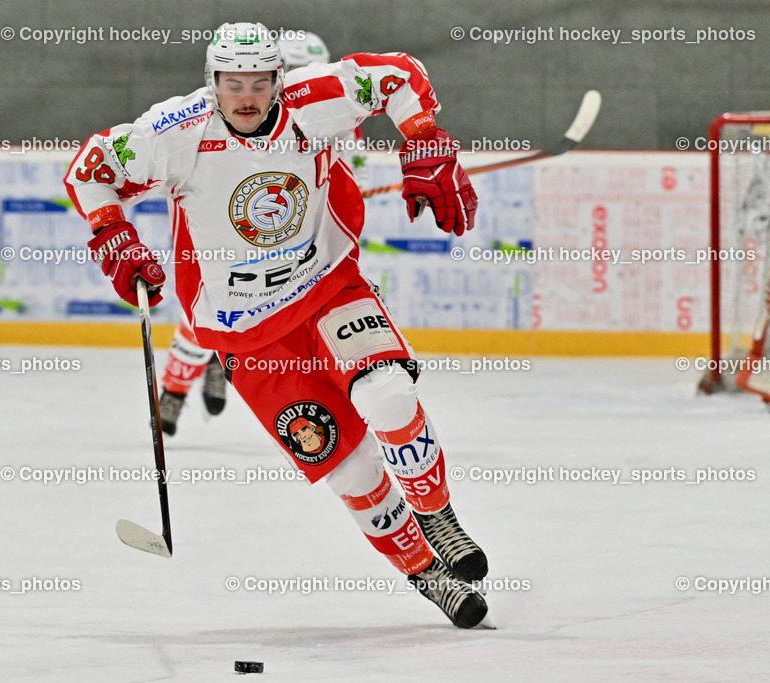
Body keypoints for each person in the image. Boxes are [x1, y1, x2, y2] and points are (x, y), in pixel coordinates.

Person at [66, 22, 487, 628]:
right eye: (232, 83)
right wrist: (113, 231)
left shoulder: (315, 101)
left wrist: (424, 137)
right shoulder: (174, 132)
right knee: (353, 468)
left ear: (277, 82)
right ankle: (429, 577)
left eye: (259, 82)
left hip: (325, 285)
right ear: (212, 82)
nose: (246, 95)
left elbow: (397, 73)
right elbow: (91, 167)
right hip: (244, 329)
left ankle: (439, 517)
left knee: (389, 392)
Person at [157, 29, 340, 437]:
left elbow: (346, 170)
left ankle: (222, 364)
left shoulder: (326, 114)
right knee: (207, 315)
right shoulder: (221, 115)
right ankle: (175, 386)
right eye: (297, 71)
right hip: (222, 237)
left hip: (285, 243)